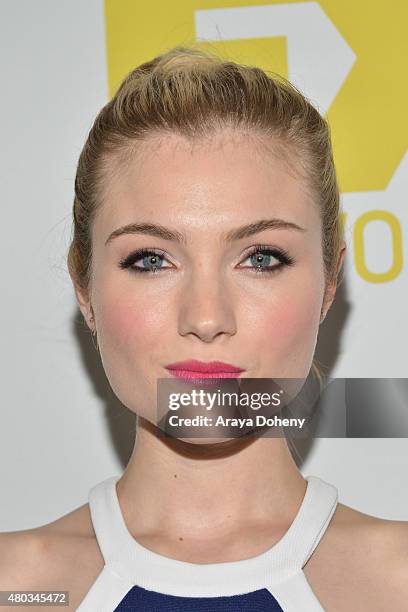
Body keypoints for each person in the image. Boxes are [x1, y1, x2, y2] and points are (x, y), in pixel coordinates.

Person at [1, 45, 407, 611]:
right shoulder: (14, 588)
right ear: (84, 287)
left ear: (329, 282)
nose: (207, 317)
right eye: (150, 259)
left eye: (261, 258)